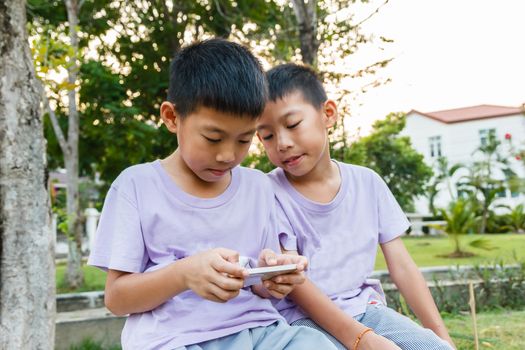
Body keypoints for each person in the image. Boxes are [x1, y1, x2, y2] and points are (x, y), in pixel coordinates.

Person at [88, 40, 338, 350]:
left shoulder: (258, 187)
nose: (227, 155)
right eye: (213, 138)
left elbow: (260, 284)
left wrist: (273, 277)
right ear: (171, 117)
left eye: (244, 140)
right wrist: (183, 275)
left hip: (260, 332)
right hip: (173, 340)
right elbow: (117, 299)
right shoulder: (136, 186)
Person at [256, 63, 455, 350]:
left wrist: (441, 337)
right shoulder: (268, 192)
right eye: (267, 136)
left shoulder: (368, 182)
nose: (283, 143)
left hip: (366, 311)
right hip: (300, 321)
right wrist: (362, 341)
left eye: (292, 124)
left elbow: (402, 267)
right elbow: (294, 284)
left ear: (328, 114)